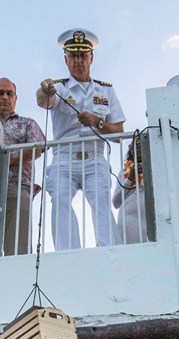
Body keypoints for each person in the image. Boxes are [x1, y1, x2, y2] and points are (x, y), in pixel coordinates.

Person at [37, 28, 126, 251]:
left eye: (83, 56)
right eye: (73, 56)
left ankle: (110, 249)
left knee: (101, 203)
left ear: (91, 58)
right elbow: (43, 101)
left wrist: (98, 122)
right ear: (66, 60)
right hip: (64, 159)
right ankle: (68, 252)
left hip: (94, 158)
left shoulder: (106, 91)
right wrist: (44, 89)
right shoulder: (59, 87)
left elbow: (118, 132)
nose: (78, 61)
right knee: (60, 199)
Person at [0, 77, 46, 256]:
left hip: (16, 186)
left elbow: (37, 148)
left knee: (17, 246)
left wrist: (7, 159)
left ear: (16, 98)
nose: (5, 97)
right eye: (0, 93)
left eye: (10, 93)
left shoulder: (26, 123)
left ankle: (17, 276)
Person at [112, 136, 148, 244]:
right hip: (129, 221)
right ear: (131, 149)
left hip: (151, 221)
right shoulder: (123, 172)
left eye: (141, 144)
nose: (138, 147)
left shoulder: (156, 169)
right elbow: (116, 203)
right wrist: (130, 179)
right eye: (135, 144)